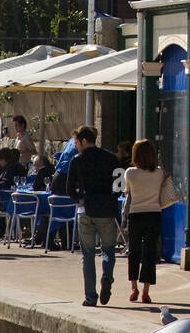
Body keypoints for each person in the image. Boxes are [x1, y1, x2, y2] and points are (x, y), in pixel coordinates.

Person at [66, 125, 120, 307]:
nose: (75, 147)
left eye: (76, 143)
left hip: (85, 210)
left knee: (88, 255)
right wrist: (111, 197)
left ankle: (90, 297)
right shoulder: (111, 158)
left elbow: (69, 188)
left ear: (83, 141)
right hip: (106, 209)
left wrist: (80, 198)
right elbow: (119, 185)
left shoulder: (77, 161)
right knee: (108, 249)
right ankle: (107, 277)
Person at [122, 139, 166, 304]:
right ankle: (146, 291)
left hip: (136, 214)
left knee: (134, 251)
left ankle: (134, 287)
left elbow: (128, 191)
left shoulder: (130, 173)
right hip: (154, 214)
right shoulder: (160, 172)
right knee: (149, 253)